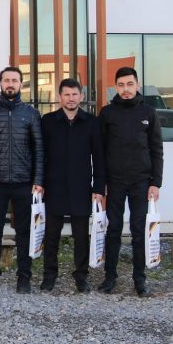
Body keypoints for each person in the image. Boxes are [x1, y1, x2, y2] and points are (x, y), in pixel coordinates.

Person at [0, 66, 45, 293]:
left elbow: (39, 149)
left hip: (24, 183)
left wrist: (38, 180)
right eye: (6, 80)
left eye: (14, 80)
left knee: (24, 232)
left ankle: (24, 277)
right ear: (0, 83)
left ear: (21, 84)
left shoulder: (31, 114)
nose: (10, 84)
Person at [98, 67, 163, 297]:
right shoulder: (107, 113)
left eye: (130, 84)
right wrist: (100, 185)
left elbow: (157, 149)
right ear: (116, 87)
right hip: (114, 182)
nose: (125, 89)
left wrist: (156, 183)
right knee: (113, 229)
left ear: (137, 84)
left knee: (138, 231)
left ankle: (139, 279)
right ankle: (110, 277)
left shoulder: (149, 112)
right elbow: (100, 152)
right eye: (121, 85)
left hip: (141, 183)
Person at [40, 78, 105, 293]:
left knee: (81, 236)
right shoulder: (48, 121)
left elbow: (99, 157)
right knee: (51, 235)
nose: (71, 98)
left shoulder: (92, 122)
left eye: (74, 94)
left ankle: (81, 276)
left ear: (81, 97)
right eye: (66, 94)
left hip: (81, 187)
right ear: (59, 97)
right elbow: (40, 155)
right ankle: (49, 275)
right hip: (54, 186)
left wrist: (98, 187)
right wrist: (39, 182)